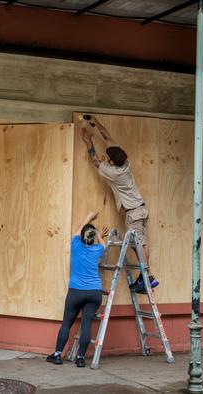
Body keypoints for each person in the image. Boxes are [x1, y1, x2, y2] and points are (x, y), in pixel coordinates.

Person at [80, 114, 158, 292]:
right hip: (141, 210)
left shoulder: (114, 173)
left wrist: (88, 141)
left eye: (109, 159)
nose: (108, 159)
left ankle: (148, 278)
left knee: (139, 245)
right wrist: (96, 122)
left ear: (113, 162)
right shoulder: (125, 162)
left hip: (133, 213)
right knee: (142, 243)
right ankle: (145, 277)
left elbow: (95, 161)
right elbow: (107, 137)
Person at [47, 211, 107, 368]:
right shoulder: (98, 250)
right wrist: (100, 235)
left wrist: (88, 218)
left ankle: (57, 355)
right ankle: (80, 358)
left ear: (81, 236)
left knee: (67, 323)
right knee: (86, 325)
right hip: (94, 292)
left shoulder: (75, 245)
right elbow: (103, 245)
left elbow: (79, 230)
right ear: (93, 238)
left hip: (76, 292)